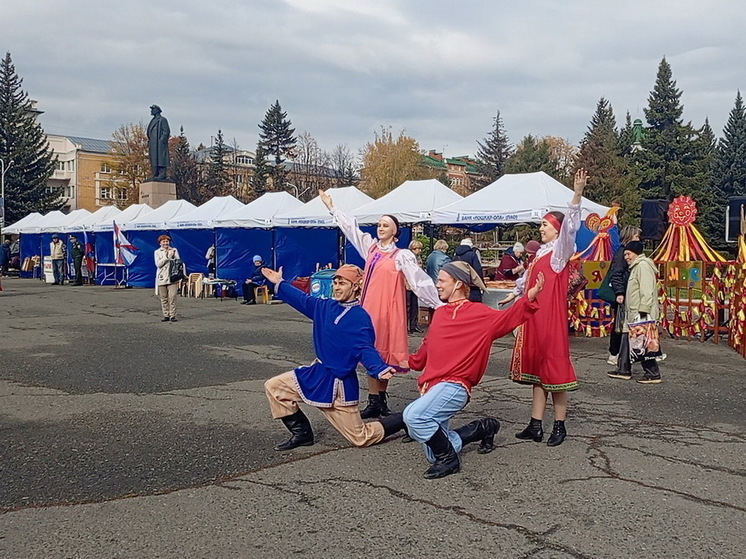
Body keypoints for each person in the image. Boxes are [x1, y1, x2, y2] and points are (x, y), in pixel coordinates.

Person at [403, 261, 545, 479]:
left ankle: (450, 461)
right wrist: (401, 362)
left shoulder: (479, 314)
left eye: (441, 280)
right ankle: (482, 428)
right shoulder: (440, 314)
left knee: (413, 417)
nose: (437, 284)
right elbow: (425, 351)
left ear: (458, 283)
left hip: (455, 386)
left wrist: (529, 297)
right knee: (434, 452)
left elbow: (508, 318)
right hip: (431, 388)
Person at [319, 189, 442, 419]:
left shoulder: (401, 255)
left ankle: (380, 399)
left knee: (383, 354)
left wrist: (438, 303)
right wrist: (332, 208)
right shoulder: (371, 248)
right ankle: (373, 400)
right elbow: (352, 230)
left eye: (385, 225)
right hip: (368, 310)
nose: (380, 228)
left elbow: (418, 280)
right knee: (368, 350)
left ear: (395, 232)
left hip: (388, 310)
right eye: (379, 224)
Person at [262, 264, 406, 450]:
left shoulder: (359, 317)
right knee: (274, 387)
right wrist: (280, 283)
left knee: (361, 438)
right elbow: (302, 299)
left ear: (355, 286)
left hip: (339, 386)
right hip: (317, 374)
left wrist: (378, 367)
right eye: (335, 283)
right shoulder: (324, 306)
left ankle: (404, 419)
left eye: (342, 283)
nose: (337, 287)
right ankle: (302, 434)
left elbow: (364, 348)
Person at [509, 168, 588, 448]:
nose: (540, 228)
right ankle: (535, 424)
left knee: (555, 372)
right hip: (534, 317)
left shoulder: (559, 252)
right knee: (538, 373)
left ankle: (560, 426)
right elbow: (528, 280)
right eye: (541, 224)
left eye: (544, 225)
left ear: (556, 229)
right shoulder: (541, 253)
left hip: (550, 318)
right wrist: (515, 295)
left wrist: (576, 194)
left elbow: (571, 228)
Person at [607, 241, 663, 384]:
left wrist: (643, 310)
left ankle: (653, 373)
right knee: (627, 340)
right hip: (633, 312)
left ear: (636, 253)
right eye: (625, 254)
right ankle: (623, 369)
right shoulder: (636, 267)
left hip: (641, 312)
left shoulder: (643, 266)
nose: (626, 257)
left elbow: (647, 290)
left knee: (644, 344)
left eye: (628, 254)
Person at [605, 226, 642, 366]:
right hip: (623, 293)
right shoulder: (622, 254)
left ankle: (623, 353)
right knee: (620, 325)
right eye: (636, 237)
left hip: (626, 292)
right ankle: (614, 353)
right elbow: (616, 274)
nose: (638, 239)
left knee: (623, 324)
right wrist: (619, 292)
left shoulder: (625, 252)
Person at [154, 234, 180, 322]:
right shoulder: (157, 252)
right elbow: (158, 264)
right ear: (160, 243)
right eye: (163, 241)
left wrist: (175, 254)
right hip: (162, 277)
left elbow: (178, 262)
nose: (165, 243)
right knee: (163, 297)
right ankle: (166, 314)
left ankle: (173, 315)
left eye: (167, 241)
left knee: (172, 297)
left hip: (172, 277)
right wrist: (167, 257)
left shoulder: (173, 250)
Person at [452, 237, 484, 302]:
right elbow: (478, 270)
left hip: (459, 285)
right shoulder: (472, 255)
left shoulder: (455, 256)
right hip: (472, 287)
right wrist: (482, 283)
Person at [147, 104, 170, 181]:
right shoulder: (153, 120)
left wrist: (161, 141)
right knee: (154, 159)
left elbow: (166, 131)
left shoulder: (162, 120)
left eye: (153, 109)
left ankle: (162, 173)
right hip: (153, 144)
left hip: (159, 144)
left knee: (161, 159)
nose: (151, 111)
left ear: (157, 110)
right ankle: (155, 173)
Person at [406, 239, 425, 333]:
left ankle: (413, 325)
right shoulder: (408, 258)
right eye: (417, 249)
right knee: (408, 307)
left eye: (420, 249)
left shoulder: (418, 258)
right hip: (408, 285)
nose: (419, 251)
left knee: (415, 306)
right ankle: (407, 326)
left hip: (415, 285)